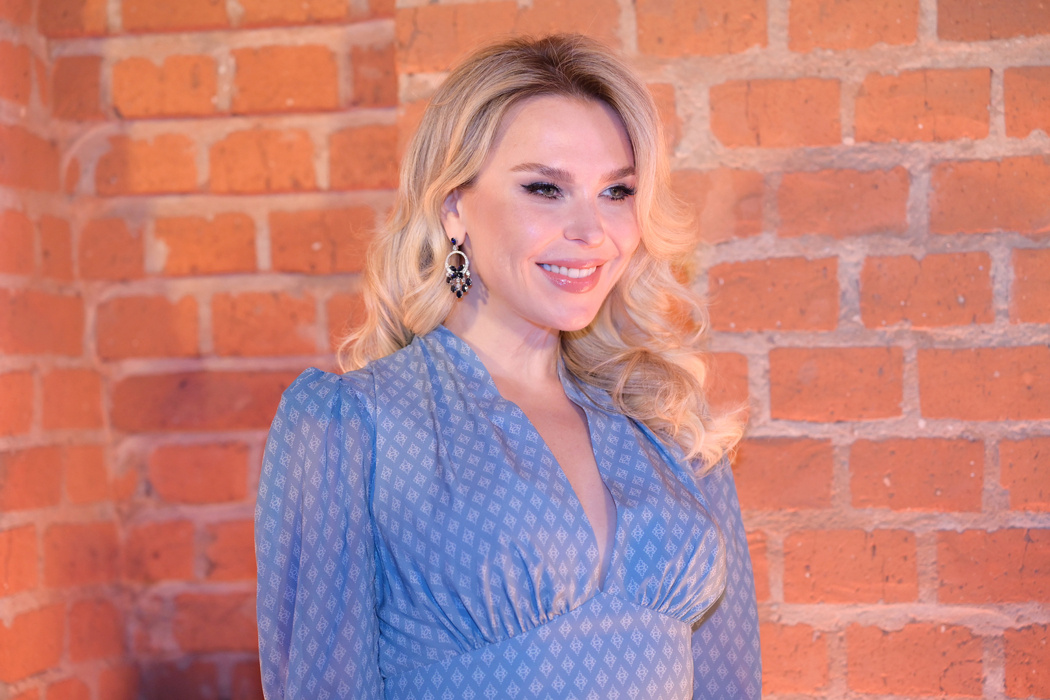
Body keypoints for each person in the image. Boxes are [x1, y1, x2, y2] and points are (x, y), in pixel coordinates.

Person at [255, 34, 761, 699]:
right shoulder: (356, 425)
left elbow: (727, 680)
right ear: (453, 206)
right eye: (545, 189)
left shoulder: (667, 425)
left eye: (617, 192)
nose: (591, 232)